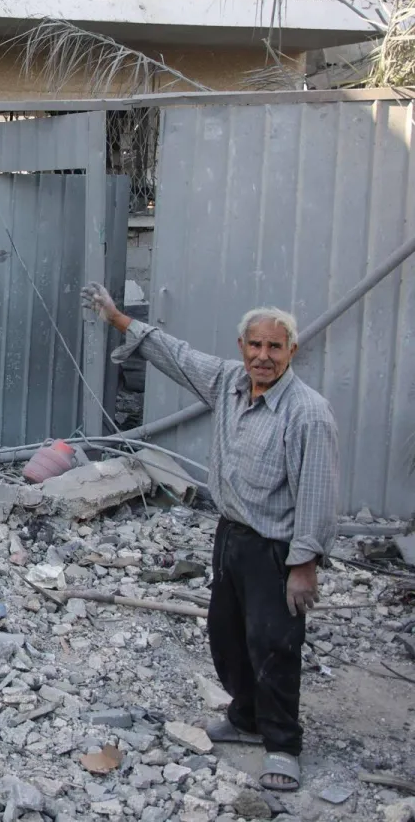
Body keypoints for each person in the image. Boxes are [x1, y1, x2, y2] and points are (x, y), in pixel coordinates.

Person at [82, 283, 337, 794]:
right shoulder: (227, 382)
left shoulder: (306, 413)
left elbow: (317, 493)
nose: (263, 356)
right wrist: (118, 319)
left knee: (274, 644)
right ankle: (245, 717)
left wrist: (304, 563)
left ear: (292, 351)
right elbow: (176, 354)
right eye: (255, 345)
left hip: (276, 547)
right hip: (231, 537)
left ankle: (283, 743)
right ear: (242, 347)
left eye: (275, 347)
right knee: (226, 635)